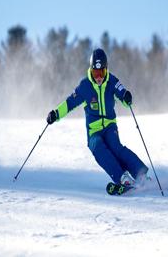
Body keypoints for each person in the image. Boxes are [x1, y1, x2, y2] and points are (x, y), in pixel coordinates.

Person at [46, 48, 149, 186]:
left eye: (102, 72)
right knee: (99, 148)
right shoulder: (85, 86)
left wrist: (126, 97)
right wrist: (56, 114)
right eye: (95, 72)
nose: (99, 77)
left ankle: (140, 174)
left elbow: (122, 94)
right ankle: (122, 178)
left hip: (109, 126)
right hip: (93, 131)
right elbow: (70, 103)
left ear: (106, 69)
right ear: (91, 70)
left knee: (116, 147)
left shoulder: (112, 81)